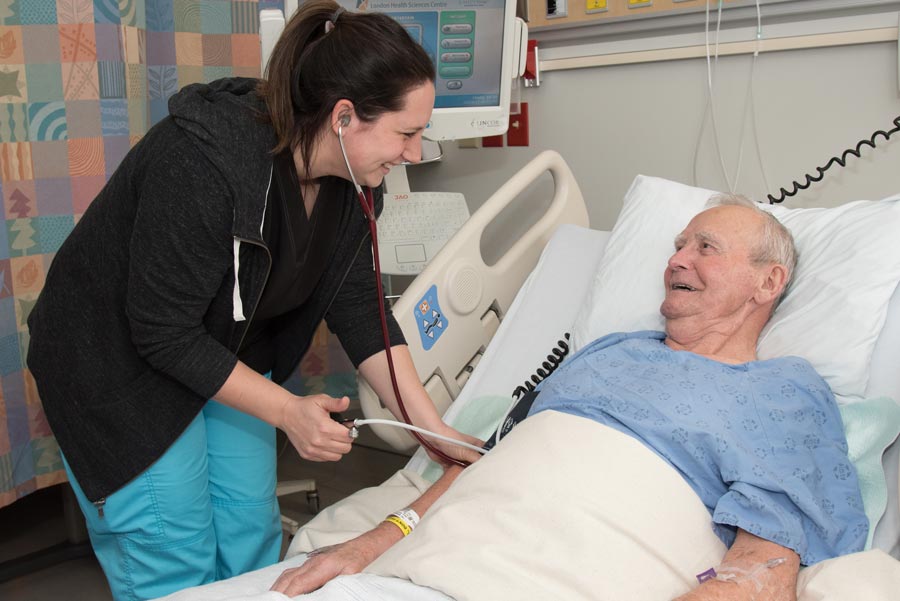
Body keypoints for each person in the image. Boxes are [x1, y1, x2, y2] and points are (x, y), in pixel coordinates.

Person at [25, 1, 480, 598]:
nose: (415, 153)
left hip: (221, 347)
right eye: (406, 132)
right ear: (345, 117)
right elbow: (162, 331)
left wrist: (433, 431)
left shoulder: (351, 185)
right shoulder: (202, 162)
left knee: (251, 539)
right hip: (120, 363)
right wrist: (289, 412)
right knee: (175, 553)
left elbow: (362, 313)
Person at [270, 196, 868, 600]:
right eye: (677, 245)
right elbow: (490, 463)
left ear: (768, 282)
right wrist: (376, 540)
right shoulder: (610, 351)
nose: (676, 260)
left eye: (705, 248)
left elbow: (766, 558)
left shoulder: (784, 391)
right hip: (438, 561)